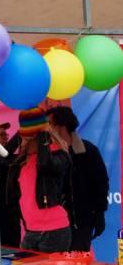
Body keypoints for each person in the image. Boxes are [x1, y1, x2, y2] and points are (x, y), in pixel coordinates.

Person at [7, 107, 72, 253]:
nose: (24, 142)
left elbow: (45, 164)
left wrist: (42, 132)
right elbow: (2, 157)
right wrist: (22, 131)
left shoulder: (59, 154)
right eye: (24, 138)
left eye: (30, 138)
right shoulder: (24, 160)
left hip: (54, 231)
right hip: (31, 231)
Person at [46, 105, 109, 251]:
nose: (46, 129)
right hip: (53, 226)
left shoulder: (88, 151)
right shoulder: (48, 155)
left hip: (81, 223)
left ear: (62, 125)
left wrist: (99, 214)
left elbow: (101, 184)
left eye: (50, 124)